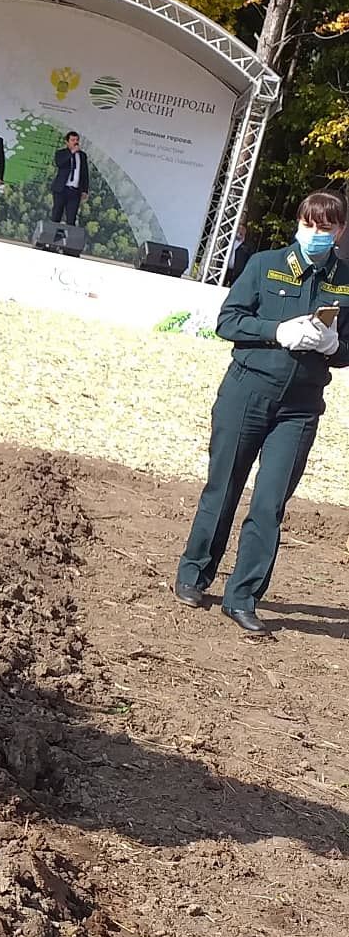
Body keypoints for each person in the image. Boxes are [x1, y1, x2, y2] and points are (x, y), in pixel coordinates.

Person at [175, 190, 349, 633]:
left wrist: (335, 346)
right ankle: (194, 575)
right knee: (224, 488)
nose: (316, 234)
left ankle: (243, 596)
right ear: (298, 224)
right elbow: (228, 321)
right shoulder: (265, 264)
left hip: (301, 407)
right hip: (247, 392)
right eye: (309, 225)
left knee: (270, 503)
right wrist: (277, 331)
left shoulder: (345, 280)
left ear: (340, 232)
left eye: (326, 228)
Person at [50, 130, 90, 226]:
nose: (75, 142)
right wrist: (71, 152)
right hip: (62, 189)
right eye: (72, 140)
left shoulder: (82, 155)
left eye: (77, 140)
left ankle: (68, 240)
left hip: (75, 191)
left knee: (71, 219)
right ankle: (50, 238)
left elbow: (84, 173)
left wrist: (85, 190)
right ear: (67, 142)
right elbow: (60, 163)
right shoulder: (61, 153)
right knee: (56, 215)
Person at [224, 221, 254, 286]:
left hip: (237, 273)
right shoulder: (229, 242)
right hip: (225, 269)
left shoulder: (247, 246)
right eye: (238, 230)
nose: (240, 232)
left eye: (242, 230)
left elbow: (250, 260)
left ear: (245, 232)